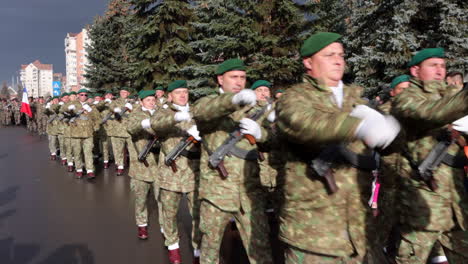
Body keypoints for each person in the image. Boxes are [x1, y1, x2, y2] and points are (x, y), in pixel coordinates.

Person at [275, 32, 400, 263]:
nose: (338, 60)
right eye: (329, 55)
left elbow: (391, 141)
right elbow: (303, 123)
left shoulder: (358, 101)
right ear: (308, 62)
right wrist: (357, 125)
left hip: (360, 234)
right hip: (314, 235)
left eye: (341, 55)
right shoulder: (294, 99)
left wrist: (393, 131)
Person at [191, 59, 273, 264]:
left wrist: (261, 133)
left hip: (249, 192)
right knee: (210, 249)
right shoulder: (209, 103)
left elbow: (276, 141)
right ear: (220, 79)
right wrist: (234, 101)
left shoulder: (258, 109)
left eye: (242, 77)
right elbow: (202, 112)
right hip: (216, 193)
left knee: (260, 249)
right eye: (233, 77)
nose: (239, 81)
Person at [391, 48, 468, 264]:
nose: (439, 71)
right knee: (412, 258)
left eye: (442, 66)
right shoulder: (407, 98)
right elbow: (430, 112)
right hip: (424, 197)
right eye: (433, 65)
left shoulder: (452, 94)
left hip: (456, 201)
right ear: (416, 70)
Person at [149, 80, 202, 264]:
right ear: (169, 95)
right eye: (178, 92)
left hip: (194, 172)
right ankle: (173, 246)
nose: (182, 95)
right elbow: (156, 125)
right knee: (169, 213)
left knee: (197, 213)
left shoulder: (196, 111)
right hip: (171, 173)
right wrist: (176, 118)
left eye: (185, 92)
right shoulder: (163, 112)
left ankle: (198, 248)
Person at [126, 90, 160, 240]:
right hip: (142, 165)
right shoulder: (135, 115)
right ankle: (142, 225)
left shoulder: (161, 113)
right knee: (141, 199)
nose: (151, 102)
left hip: (160, 164)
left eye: (153, 99)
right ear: (141, 102)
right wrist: (144, 124)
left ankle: (166, 227)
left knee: (162, 199)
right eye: (148, 100)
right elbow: (131, 128)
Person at [62, 89, 99, 179]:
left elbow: (97, 118)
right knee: (77, 152)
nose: (84, 96)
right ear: (78, 95)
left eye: (86, 95)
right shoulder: (72, 103)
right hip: (76, 133)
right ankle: (79, 169)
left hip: (88, 133)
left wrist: (95, 127)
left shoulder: (91, 106)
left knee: (88, 152)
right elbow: (62, 110)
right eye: (82, 95)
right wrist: (68, 109)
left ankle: (90, 170)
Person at [107, 87, 134, 175]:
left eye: (125, 92)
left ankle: (134, 167)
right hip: (118, 129)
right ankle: (120, 166)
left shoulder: (132, 102)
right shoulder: (116, 101)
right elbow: (111, 107)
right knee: (118, 149)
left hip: (129, 129)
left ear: (128, 93)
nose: (123, 93)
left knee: (132, 149)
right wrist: (115, 110)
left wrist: (132, 108)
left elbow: (138, 111)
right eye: (122, 92)